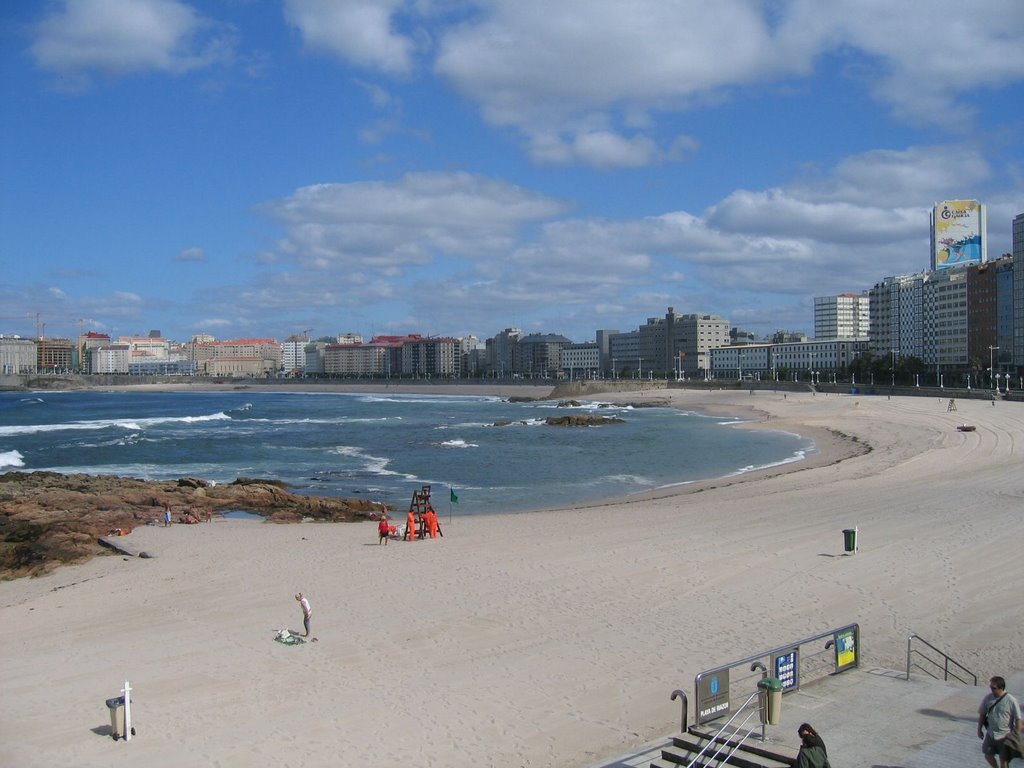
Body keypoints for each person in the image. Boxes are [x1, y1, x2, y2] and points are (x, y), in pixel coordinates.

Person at [978, 676, 1022, 768]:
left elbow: (1018, 718)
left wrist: (1016, 735)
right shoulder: (988, 698)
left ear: (1001, 688)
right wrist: (979, 729)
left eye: (993, 688)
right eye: (990, 687)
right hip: (991, 734)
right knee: (988, 755)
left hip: (1005, 736)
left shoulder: (1011, 700)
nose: (991, 689)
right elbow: (982, 714)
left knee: (1004, 761)